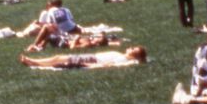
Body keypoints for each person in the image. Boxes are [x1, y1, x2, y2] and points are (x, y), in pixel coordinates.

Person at [19, 46, 148, 70]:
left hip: (91, 60)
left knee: (60, 60)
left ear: (133, 55)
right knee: (59, 59)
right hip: (91, 58)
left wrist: (93, 66)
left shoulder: (123, 59)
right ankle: (34, 62)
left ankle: (34, 62)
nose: (129, 47)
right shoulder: (123, 57)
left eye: (132, 49)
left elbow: (108, 65)